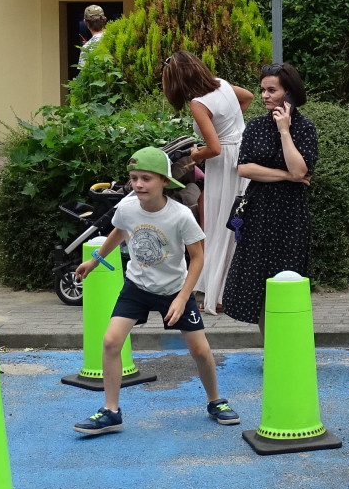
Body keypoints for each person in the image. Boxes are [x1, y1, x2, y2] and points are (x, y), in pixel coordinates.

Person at [72, 146, 239, 435]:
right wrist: (94, 260)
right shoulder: (126, 208)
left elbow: (198, 258)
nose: (138, 184)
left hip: (174, 290)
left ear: (164, 181)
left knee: (199, 349)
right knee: (111, 341)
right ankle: (112, 412)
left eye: (146, 178)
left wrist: (183, 298)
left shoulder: (181, 216)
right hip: (136, 286)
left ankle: (215, 401)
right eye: (134, 177)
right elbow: (120, 231)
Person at [221, 63, 318, 333]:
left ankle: (289, 344)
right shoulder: (255, 127)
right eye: (262, 90)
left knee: (288, 281)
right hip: (259, 211)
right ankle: (269, 349)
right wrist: (286, 176)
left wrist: (285, 131)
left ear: (288, 93)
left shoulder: (304, 129)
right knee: (260, 283)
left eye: (272, 90)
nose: (264, 95)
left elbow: (300, 169)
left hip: (290, 214)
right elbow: (244, 168)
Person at [161, 50, 253, 315]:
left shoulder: (198, 103)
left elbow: (213, 148)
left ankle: (220, 295)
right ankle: (234, 288)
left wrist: (193, 154)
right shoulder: (222, 84)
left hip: (224, 165)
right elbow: (246, 97)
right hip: (243, 153)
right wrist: (232, 129)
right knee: (236, 223)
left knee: (218, 224)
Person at [77, 5, 107, 69]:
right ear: (105, 19)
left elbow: (84, 75)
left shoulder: (86, 48)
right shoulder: (116, 39)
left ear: (85, 22)